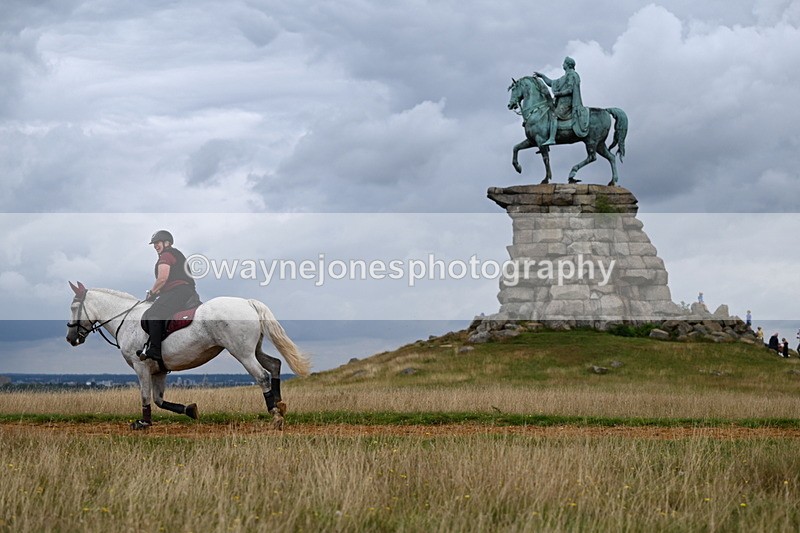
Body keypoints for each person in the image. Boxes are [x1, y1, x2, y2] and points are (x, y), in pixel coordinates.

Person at [136, 230, 201, 368]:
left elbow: (162, 279)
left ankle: (155, 350)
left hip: (178, 292)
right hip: (186, 291)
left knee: (153, 313)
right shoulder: (176, 254)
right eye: (154, 244)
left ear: (167, 243)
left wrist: (152, 293)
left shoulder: (166, 255)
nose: (155, 246)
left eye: (157, 243)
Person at [533, 56, 589, 144]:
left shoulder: (572, 75)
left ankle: (552, 138)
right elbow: (551, 83)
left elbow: (570, 90)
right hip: (561, 102)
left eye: (564, 63)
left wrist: (559, 94)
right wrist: (542, 76)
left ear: (568, 65)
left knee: (553, 115)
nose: (563, 64)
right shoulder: (565, 76)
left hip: (567, 103)